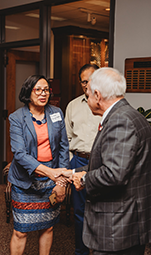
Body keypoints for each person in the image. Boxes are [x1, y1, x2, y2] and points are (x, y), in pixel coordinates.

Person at [71, 67, 151, 254]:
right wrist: (73, 172)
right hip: (129, 221)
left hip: (117, 226)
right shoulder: (130, 115)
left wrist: (84, 179)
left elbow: (114, 174)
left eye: (88, 94)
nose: (87, 98)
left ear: (97, 95)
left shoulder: (120, 121)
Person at [8, 74, 70, 255]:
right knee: (21, 231)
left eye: (46, 90)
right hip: (24, 182)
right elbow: (19, 154)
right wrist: (50, 172)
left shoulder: (57, 113)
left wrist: (60, 183)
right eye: (38, 90)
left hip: (52, 180)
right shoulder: (16, 118)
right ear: (28, 92)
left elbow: (63, 148)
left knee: (48, 227)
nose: (43, 94)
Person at [65, 64, 101, 255]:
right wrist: (71, 163)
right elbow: (66, 138)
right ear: (80, 83)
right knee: (80, 213)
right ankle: (82, 251)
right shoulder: (72, 105)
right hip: (78, 162)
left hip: (101, 164)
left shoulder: (107, 104)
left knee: (102, 211)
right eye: (84, 81)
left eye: (92, 80)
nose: (87, 85)